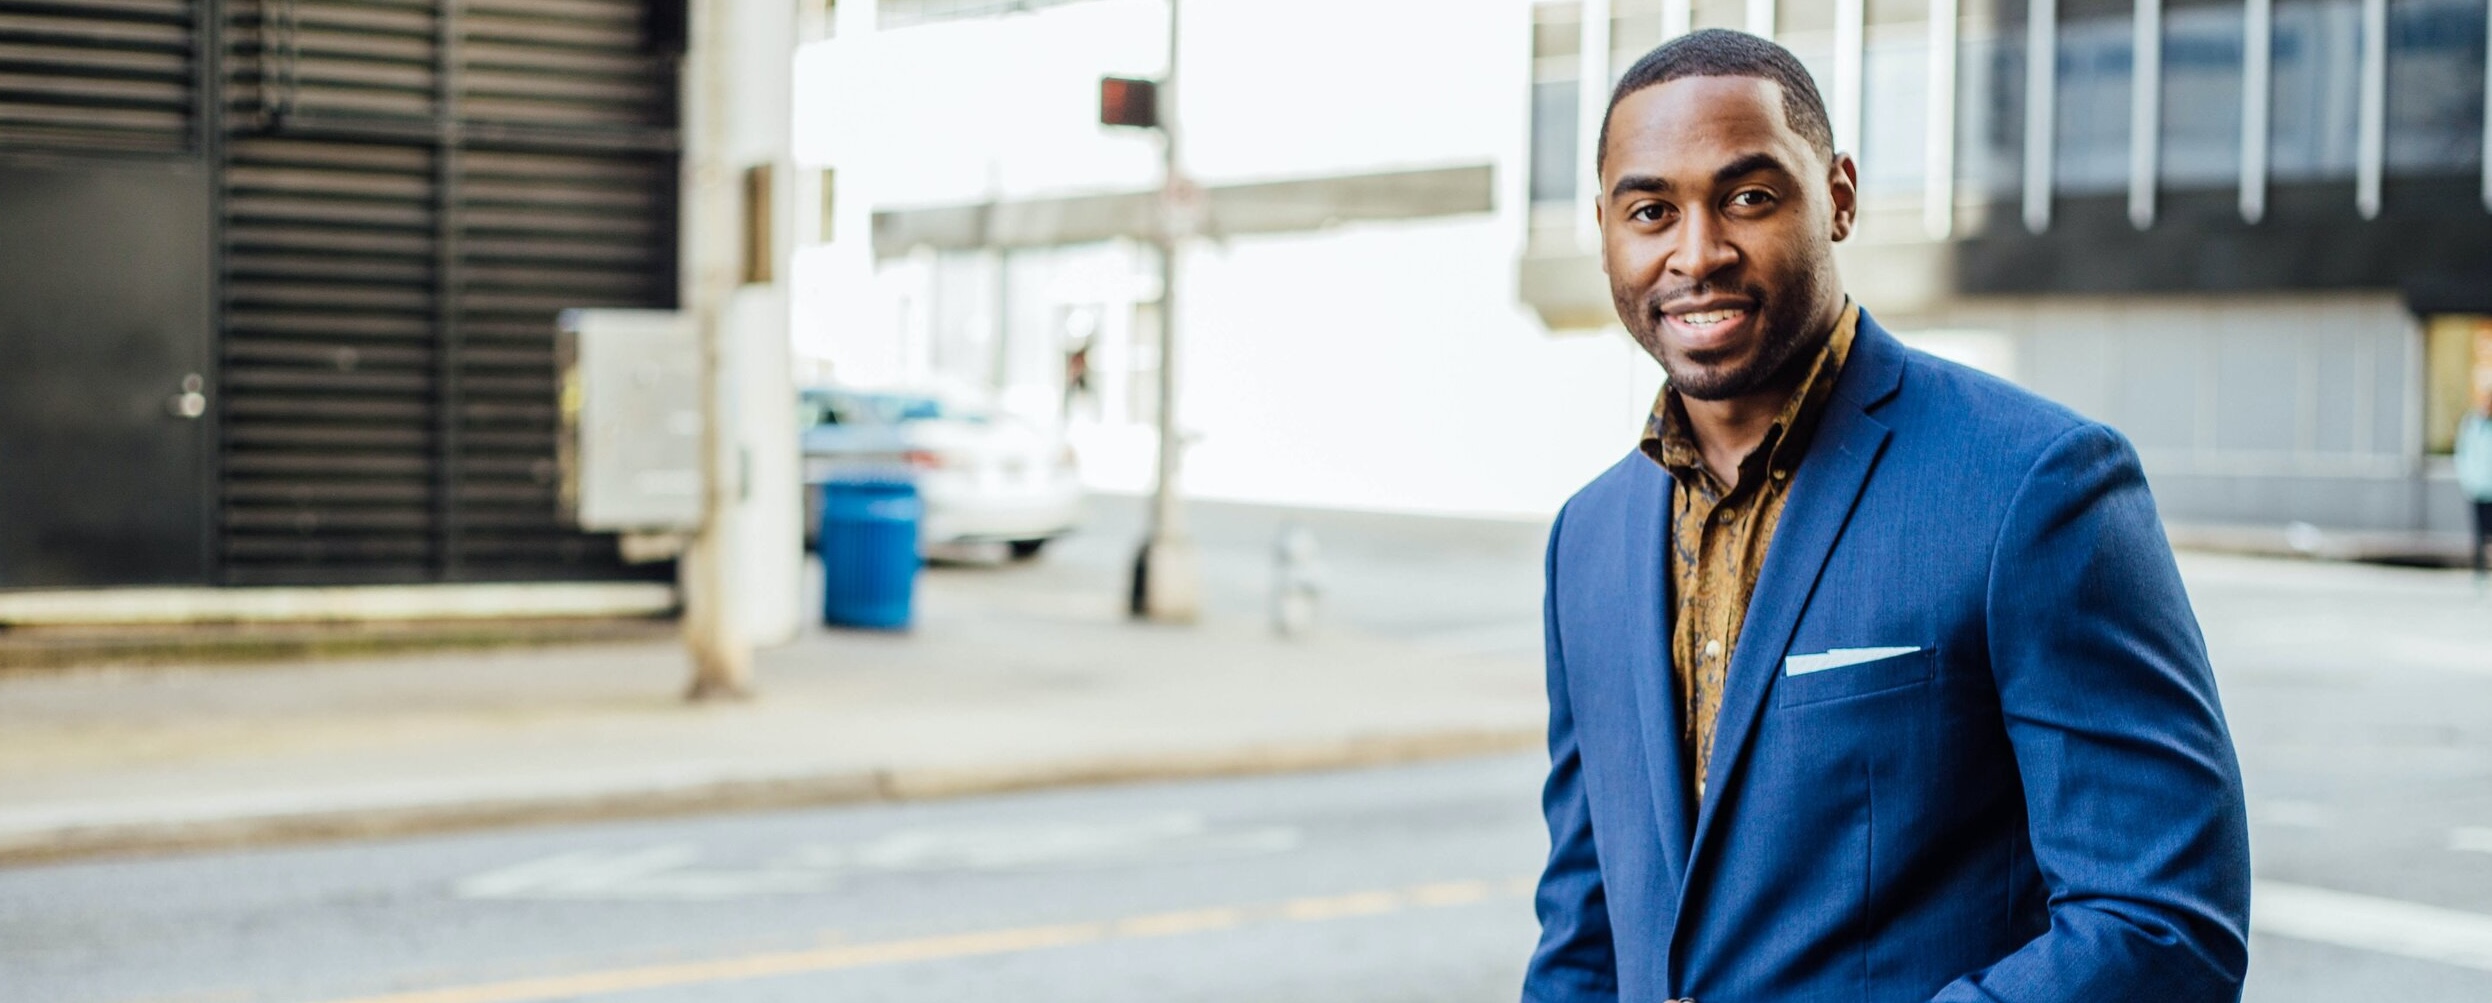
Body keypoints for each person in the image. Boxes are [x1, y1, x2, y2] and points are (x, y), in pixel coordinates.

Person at [1524, 30, 2250, 1003]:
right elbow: (1584, 932)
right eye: (1650, 210)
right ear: (1608, 231)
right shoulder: (1587, 538)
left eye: (1746, 196)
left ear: (1837, 197)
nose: (1694, 252)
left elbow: (2160, 926)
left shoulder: (2033, 483)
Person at [2457, 388, 2492, 586]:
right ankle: (2480, 574)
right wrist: (2468, 479)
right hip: (2477, 486)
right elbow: (2463, 453)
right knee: (2479, 534)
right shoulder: (2472, 424)